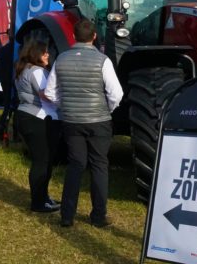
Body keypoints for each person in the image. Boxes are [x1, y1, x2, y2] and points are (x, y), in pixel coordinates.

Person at [44, 19, 123, 228]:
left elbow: (51, 92)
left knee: (75, 165)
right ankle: (98, 216)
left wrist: (65, 105)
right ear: (94, 36)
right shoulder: (102, 60)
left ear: (74, 36)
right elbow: (116, 93)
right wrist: (108, 109)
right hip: (99, 120)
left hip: (71, 120)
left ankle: (67, 216)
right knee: (99, 165)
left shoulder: (61, 59)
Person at [14, 41, 61, 213]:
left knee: (41, 160)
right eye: (44, 53)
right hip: (37, 117)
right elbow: (47, 95)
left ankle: (43, 197)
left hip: (27, 115)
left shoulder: (23, 69)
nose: (47, 55)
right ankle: (38, 202)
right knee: (42, 161)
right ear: (36, 54)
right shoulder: (38, 72)